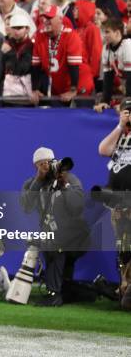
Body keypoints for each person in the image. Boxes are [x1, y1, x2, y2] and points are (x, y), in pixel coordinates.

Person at [20, 147, 90, 307]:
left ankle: (54, 294)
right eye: (41, 164)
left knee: (55, 242)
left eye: (50, 162)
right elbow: (26, 206)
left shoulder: (70, 179)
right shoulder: (31, 184)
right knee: (49, 240)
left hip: (77, 238)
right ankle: (63, 291)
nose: (47, 167)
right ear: (36, 167)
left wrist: (64, 186)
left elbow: (77, 208)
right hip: (54, 236)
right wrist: (39, 180)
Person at [97, 99, 131, 310]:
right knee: (123, 247)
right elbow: (103, 149)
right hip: (118, 203)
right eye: (126, 111)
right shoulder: (119, 136)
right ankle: (125, 288)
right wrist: (120, 126)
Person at [31, 6, 93, 105]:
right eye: (45, 18)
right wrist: (35, 89)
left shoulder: (71, 35)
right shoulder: (40, 35)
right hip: (60, 86)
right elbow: (36, 65)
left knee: (78, 117)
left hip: (80, 84)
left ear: (60, 19)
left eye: (50, 18)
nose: (46, 21)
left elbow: (74, 66)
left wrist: (73, 90)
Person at [95, 19, 131, 112]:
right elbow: (108, 78)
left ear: (117, 33)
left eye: (107, 32)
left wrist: (127, 104)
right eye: (104, 32)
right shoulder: (106, 48)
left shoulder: (127, 45)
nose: (104, 35)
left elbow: (130, 79)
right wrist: (105, 101)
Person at [1, 14, 34, 103]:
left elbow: (21, 69)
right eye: (14, 28)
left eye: (19, 28)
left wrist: (10, 53)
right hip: (7, 94)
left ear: (27, 29)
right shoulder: (6, 43)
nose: (16, 31)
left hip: (26, 95)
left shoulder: (32, 46)